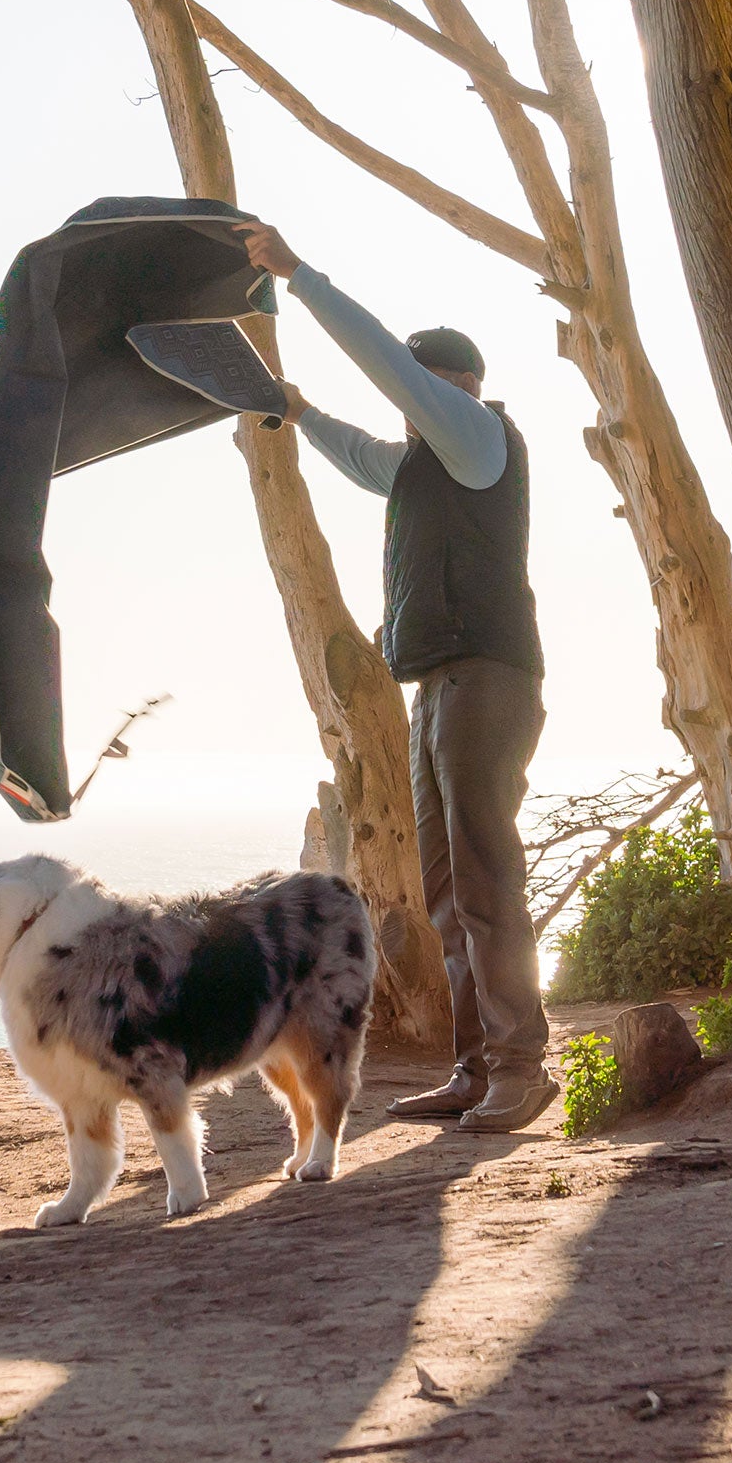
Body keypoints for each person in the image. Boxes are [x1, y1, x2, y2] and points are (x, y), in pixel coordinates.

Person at [234, 219, 556, 1133]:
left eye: (421, 387)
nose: (405, 405)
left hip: (487, 682)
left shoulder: (478, 437)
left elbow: (389, 371)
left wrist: (302, 277)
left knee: (486, 879)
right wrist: (297, 415)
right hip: (438, 690)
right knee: (448, 891)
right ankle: (476, 1066)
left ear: (453, 386)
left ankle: (523, 1068)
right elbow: (358, 455)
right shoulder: (425, 462)